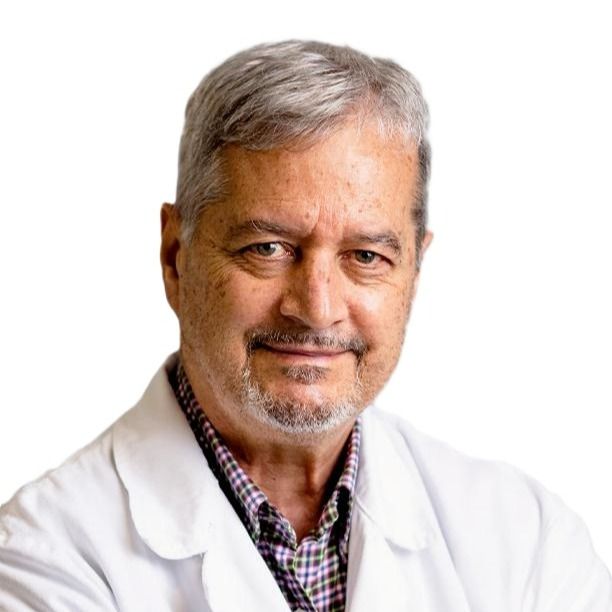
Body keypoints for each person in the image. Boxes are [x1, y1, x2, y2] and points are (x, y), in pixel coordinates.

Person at [0, 40, 610, 612]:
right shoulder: (47, 555)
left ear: (414, 272)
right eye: (268, 248)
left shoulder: (528, 540)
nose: (317, 308)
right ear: (176, 257)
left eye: (366, 256)